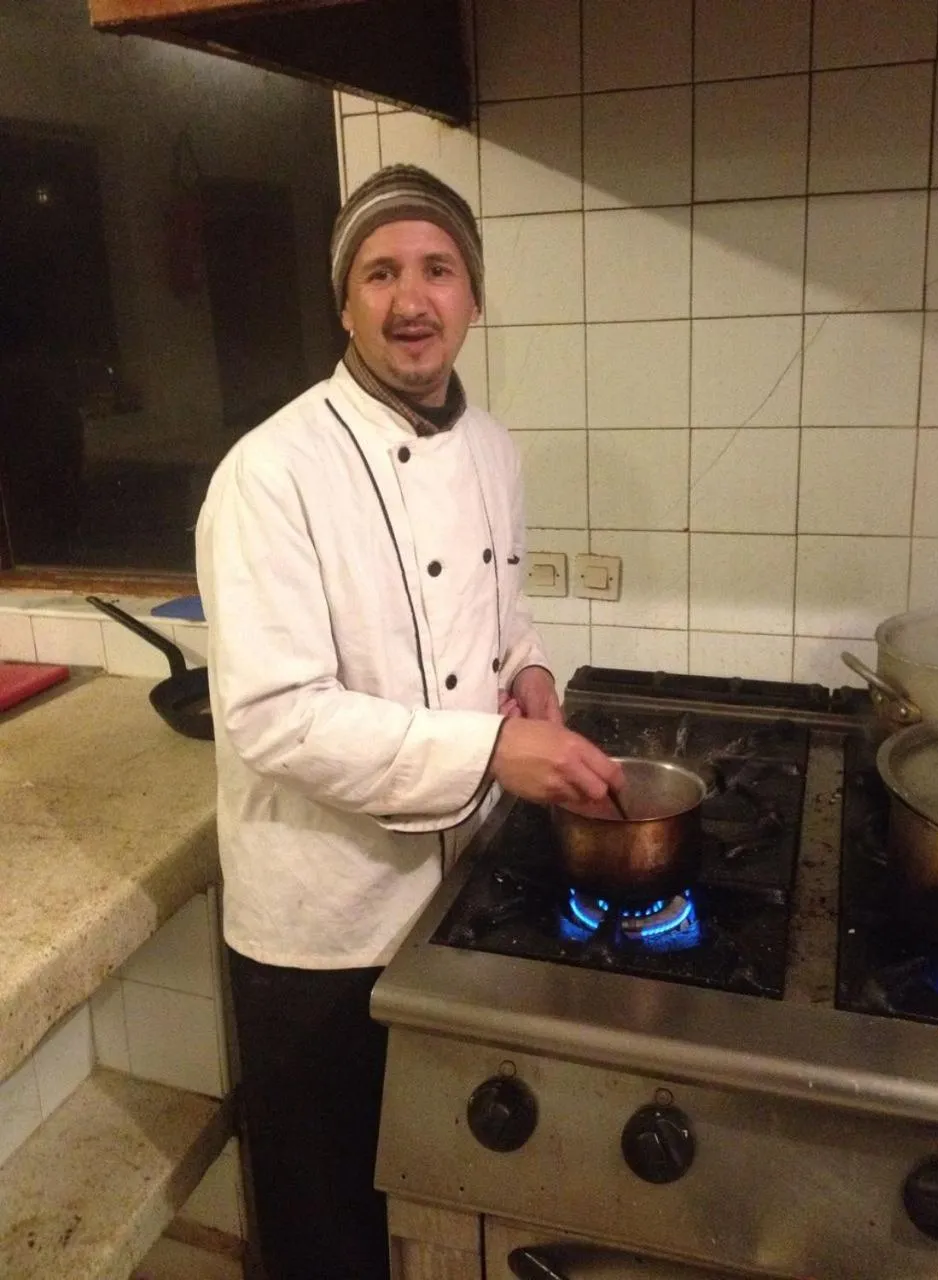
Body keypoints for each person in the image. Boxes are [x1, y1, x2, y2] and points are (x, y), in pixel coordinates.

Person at [195, 164, 624, 1280]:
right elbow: (274, 719)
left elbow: (503, 609)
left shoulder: (493, 448)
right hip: (321, 926)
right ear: (345, 303)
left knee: (444, 1202)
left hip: (454, 890)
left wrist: (527, 676)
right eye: (380, 272)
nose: (411, 298)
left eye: (437, 268)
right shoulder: (270, 474)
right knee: (327, 1227)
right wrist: (491, 747)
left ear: (473, 296)